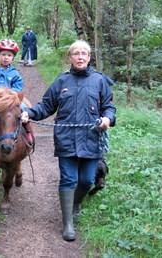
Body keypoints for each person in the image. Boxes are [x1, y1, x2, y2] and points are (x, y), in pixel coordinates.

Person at [21, 40, 116, 241]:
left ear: (89, 57)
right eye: (76, 53)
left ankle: (75, 203)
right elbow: (46, 106)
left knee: (87, 180)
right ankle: (68, 224)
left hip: (91, 139)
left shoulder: (99, 81)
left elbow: (109, 107)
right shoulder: (61, 81)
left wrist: (107, 118)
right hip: (66, 139)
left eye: (84, 53)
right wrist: (29, 113)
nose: (80, 57)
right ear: (70, 57)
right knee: (69, 179)